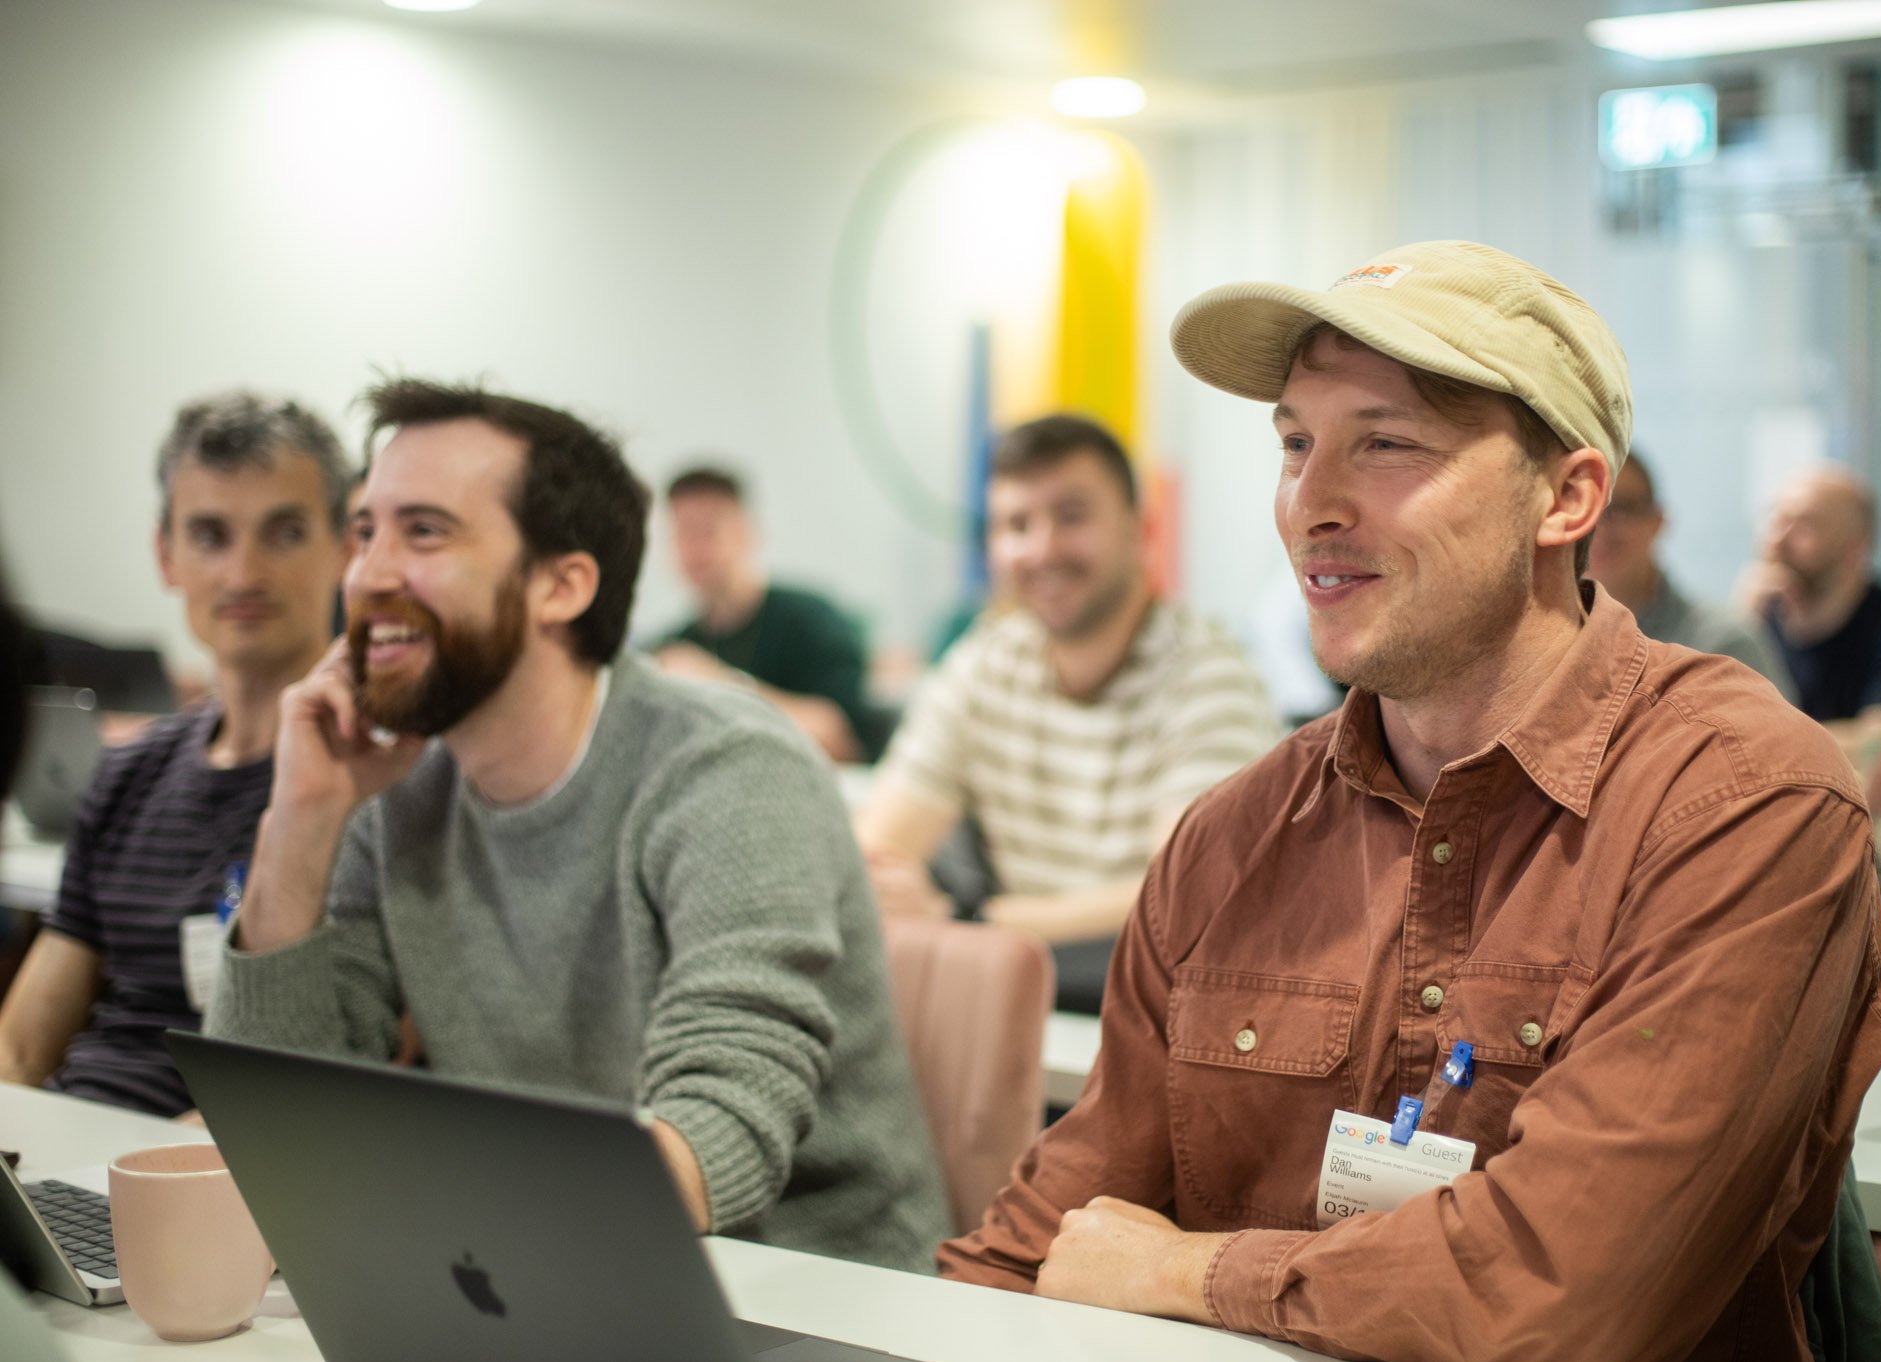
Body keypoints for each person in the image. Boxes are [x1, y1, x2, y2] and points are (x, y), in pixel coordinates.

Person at [938, 242, 1881, 1362]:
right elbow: (1043, 1244)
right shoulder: (1231, 839)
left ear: (1567, 496)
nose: (1309, 504)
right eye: (1295, 443)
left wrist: (1187, 1270)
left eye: (1385, 444)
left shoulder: (1739, 805)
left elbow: (1563, 1295)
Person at [204, 379, 947, 1271]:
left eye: (425, 531)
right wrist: (300, 819)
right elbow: (280, 1122)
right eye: (366, 531)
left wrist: (451, 1229)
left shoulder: (727, 770)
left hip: (801, 1288)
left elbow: (721, 1130)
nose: (369, 573)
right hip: (544, 1269)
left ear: (562, 585)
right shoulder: (395, 784)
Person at [0, 393, 350, 1116]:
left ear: (346, 547)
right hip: (72, 1151)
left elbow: (365, 1071)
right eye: (211, 535)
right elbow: (22, 1051)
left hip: (237, 1172)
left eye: (283, 533)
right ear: (166, 555)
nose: (244, 573)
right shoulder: (130, 772)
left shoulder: (378, 778)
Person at [856, 414, 1276, 951]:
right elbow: (878, 852)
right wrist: (894, 892)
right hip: (1021, 988)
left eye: (1071, 517)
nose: (1041, 549)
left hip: (1161, 1002)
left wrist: (968, 921)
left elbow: (1183, 899)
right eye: (1016, 525)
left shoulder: (1209, 675)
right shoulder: (987, 662)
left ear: (1138, 528)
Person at [651, 467, 877, 761]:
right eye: (683, 533)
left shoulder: (811, 622)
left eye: (707, 530)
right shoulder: (672, 646)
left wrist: (720, 684)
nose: (695, 549)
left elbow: (839, 740)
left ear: (746, 532)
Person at [1741, 466, 1881, 751]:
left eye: (1803, 525)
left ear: (1853, 549)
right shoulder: (1757, 618)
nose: (1778, 540)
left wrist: (1762, 742)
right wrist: (1742, 623)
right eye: (1777, 520)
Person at [1586, 448, 1792, 696]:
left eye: (1621, 509)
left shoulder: (1722, 647)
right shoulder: (1546, 643)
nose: (1598, 530)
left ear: (1658, 521)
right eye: (1585, 508)